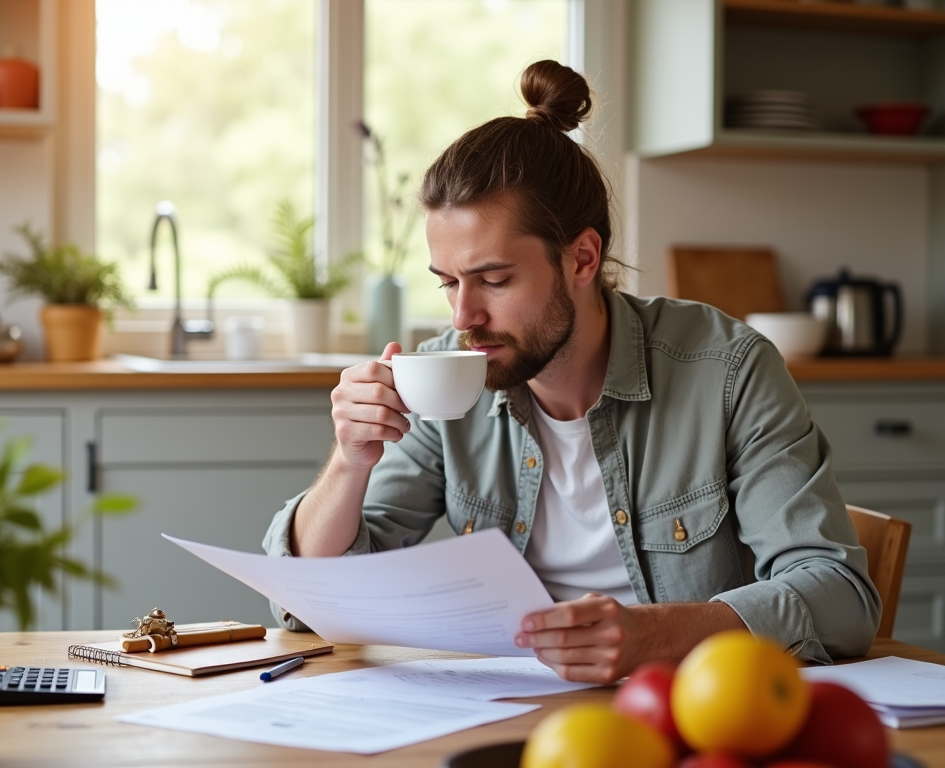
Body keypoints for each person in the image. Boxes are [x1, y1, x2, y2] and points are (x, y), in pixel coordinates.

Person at [263, 59, 880, 684]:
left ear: (582, 258)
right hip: (505, 706)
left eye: (495, 280)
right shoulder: (448, 379)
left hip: (685, 709)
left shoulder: (727, 370)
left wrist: (656, 635)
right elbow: (313, 598)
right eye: (448, 283)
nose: (464, 315)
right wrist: (349, 460)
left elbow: (841, 597)